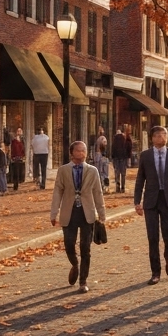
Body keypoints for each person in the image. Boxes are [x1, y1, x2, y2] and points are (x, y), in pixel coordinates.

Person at [133, 125, 168, 285]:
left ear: (167, 137)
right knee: (152, 237)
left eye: (164, 134)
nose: (161, 137)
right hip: (151, 201)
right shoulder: (145, 156)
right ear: (152, 138)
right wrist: (137, 202)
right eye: (157, 135)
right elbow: (140, 179)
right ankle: (155, 272)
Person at [50, 140, 107, 294]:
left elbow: (97, 192)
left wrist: (102, 214)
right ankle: (74, 265)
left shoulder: (92, 171)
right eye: (78, 151)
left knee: (85, 248)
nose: (81, 154)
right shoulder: (63, 171)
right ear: (71, 153)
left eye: (84, 151)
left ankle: (83, 281)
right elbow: (57, 192)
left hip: (87, 213)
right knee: (69, 244)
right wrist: (54, 213)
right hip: (69, 212)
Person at [111, 126, 133, 194]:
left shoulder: (115, 139)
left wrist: (113, 157)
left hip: (116, 158)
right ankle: (123, 187)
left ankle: (117, 186)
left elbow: (113, 149)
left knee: (117, 172)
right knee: (123, 173)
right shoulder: (125, 139)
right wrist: (128, 156)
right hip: (123, 157)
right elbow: (128, 148)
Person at [8, 126, 27, 192]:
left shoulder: (23, 140)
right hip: (15, 157)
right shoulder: (13, 141)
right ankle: (15, 185)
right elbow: (12, 149)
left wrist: (24, 156)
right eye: (18, 131)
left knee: (20, 170)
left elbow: (24, 148)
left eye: (20, 131)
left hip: (21, 157)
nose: (19, 132)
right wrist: (11, 157)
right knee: (15, 171)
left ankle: (20, 182)